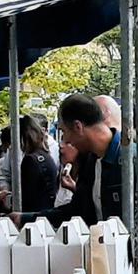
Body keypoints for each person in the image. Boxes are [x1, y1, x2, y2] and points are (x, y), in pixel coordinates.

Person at [34, 93, 124, 226]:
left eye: (63, 132)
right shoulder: (89, 161)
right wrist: (27, 219)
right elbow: (77, 210)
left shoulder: (131, 160)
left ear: (78, 127)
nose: (64, 141)